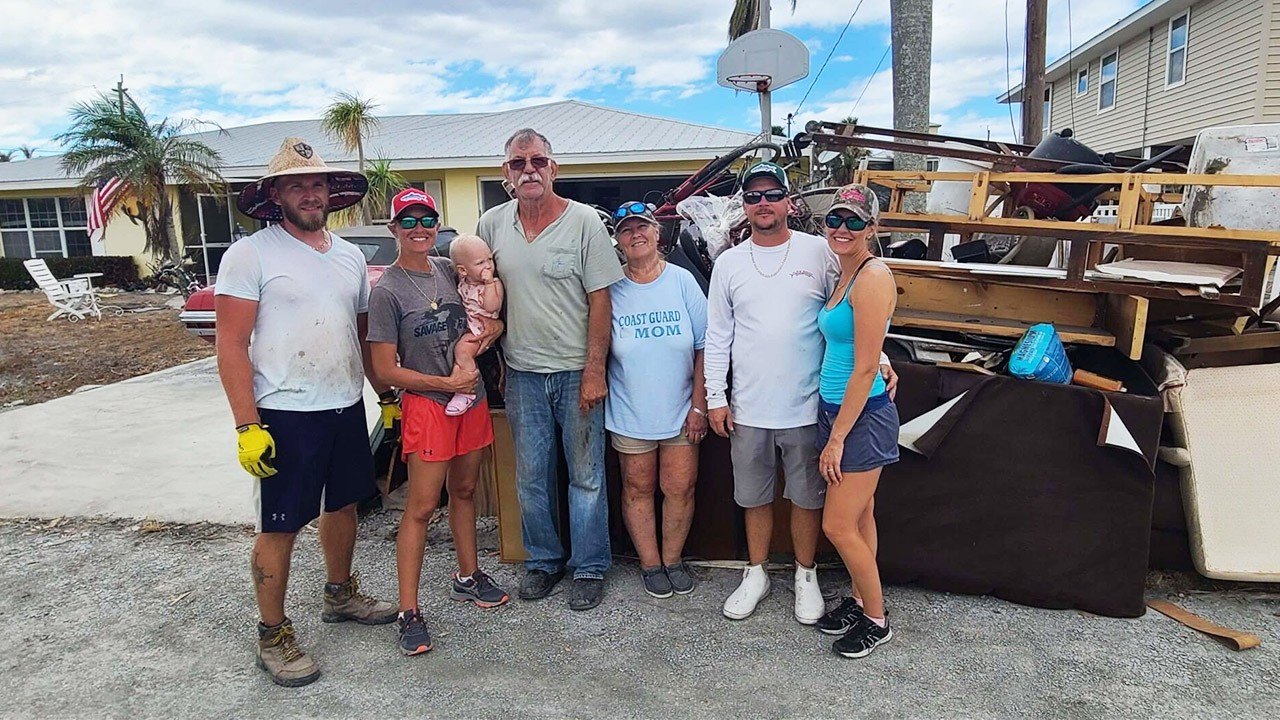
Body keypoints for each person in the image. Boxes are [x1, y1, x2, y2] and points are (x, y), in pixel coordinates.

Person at [217, 137, 396, 687]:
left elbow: (363, 337)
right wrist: (248, 426)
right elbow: (230, 344)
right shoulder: (250, 254)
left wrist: (384, 396)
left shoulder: (347, 256)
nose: (309, 193)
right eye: (295, 184)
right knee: (281, 523)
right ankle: (272, 634)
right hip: (284, 413)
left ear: (330, 193)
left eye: (316, 183)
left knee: (344, 507)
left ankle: (339, 594)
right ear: (274, 195)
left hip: (344, 404)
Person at [475, 128, 624, 611]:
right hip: (521, 373)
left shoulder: (583, 222)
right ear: (506, 174)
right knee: (531, 476)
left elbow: (600, 300)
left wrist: (595, 370)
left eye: (538, 161)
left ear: (554, 169)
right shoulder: (491, 225)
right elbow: (481, 297)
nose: (529, 170)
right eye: (518, 163)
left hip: (576, 371)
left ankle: (590, 566)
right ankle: (543, 561)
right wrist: (494, 360)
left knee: (586, 476)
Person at [366, 188, 509, 657]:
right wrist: (443, 384)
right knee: (423, 507)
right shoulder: (387, 289)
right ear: (394, 230)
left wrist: (494, 332)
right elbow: (385, 369)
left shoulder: (451, 269)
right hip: (431, 405)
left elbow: (489, 315)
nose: (419, 228)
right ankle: (409, 609)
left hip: (471, 401)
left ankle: (467, 575)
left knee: (466, 490)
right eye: (408, 221)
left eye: (426, 219)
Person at [704, 161, 834, 625]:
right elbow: (718, 335)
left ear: (788, 201)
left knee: (806, 496)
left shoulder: (819, 252)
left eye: (772, 194)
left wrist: (877, 358)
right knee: (754, 495)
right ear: (744, 204)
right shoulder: (729, 263)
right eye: (754, 196)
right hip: (749, 407)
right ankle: (755, 572)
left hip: (806, 403)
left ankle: (805, 574)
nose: (763, 203)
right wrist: (715, 396)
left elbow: (850, 311)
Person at [812, 184, 899, 659]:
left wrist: (837, 438)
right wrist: (885, 358)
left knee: (838, 525)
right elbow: (867, 345)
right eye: (835, 220)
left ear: (872, 227)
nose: (842, 229)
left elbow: (864, 367)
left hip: (860, 416)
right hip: (838, 409)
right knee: (861, 516)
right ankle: (863, 598)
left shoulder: (871, 275)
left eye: (854, 222)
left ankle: (876, 620)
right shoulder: (842, 274)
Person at [605, 202, 709, 599]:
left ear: (657, 232)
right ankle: (650, 564)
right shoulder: (611, 289)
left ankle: (673, 560)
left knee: (680, 487)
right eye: (626, 230)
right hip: (631, 412)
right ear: (618, 240)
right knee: (637, 487)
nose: (636, 235)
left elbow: (704, 346)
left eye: (642, 227)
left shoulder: (682, 281)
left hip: (683, 410)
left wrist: (699, 405)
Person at [443, 234, 504, 417]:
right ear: (463, 270)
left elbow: (492, 306)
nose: (488, 266)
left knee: (462, 351)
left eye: (490, 260)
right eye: (480, 263)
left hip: (480, 330)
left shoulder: (493, 284)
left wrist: (488, 283)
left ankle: (466, 389)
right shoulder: (463, 282)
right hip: (467, 326)